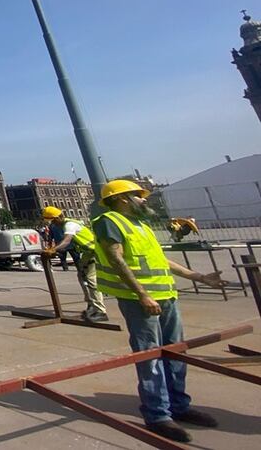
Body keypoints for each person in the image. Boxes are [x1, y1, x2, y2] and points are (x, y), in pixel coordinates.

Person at [92, 179, 226, 442]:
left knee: (176, 352)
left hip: (166, 296)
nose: (144, 200)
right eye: (138, 196)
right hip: (140, 301)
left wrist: (200, 277)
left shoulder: (140, 225)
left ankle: (180, 406)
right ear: (122, 199)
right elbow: (116, 259)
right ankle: (157, 415)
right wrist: (142, 294)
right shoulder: (110, 221)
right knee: (150, 356)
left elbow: (161, 260)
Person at [42, 205, 107, 322]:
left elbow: (66, 240)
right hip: (88, 253)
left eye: (52, 221)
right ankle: (91, 304)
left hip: (94, 253)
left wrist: (54, 249)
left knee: (91, 281)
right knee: (82, 277)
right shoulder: (67, 224)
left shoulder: (69, 225)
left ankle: (100, 311)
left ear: (57, 218)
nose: (52, 224)